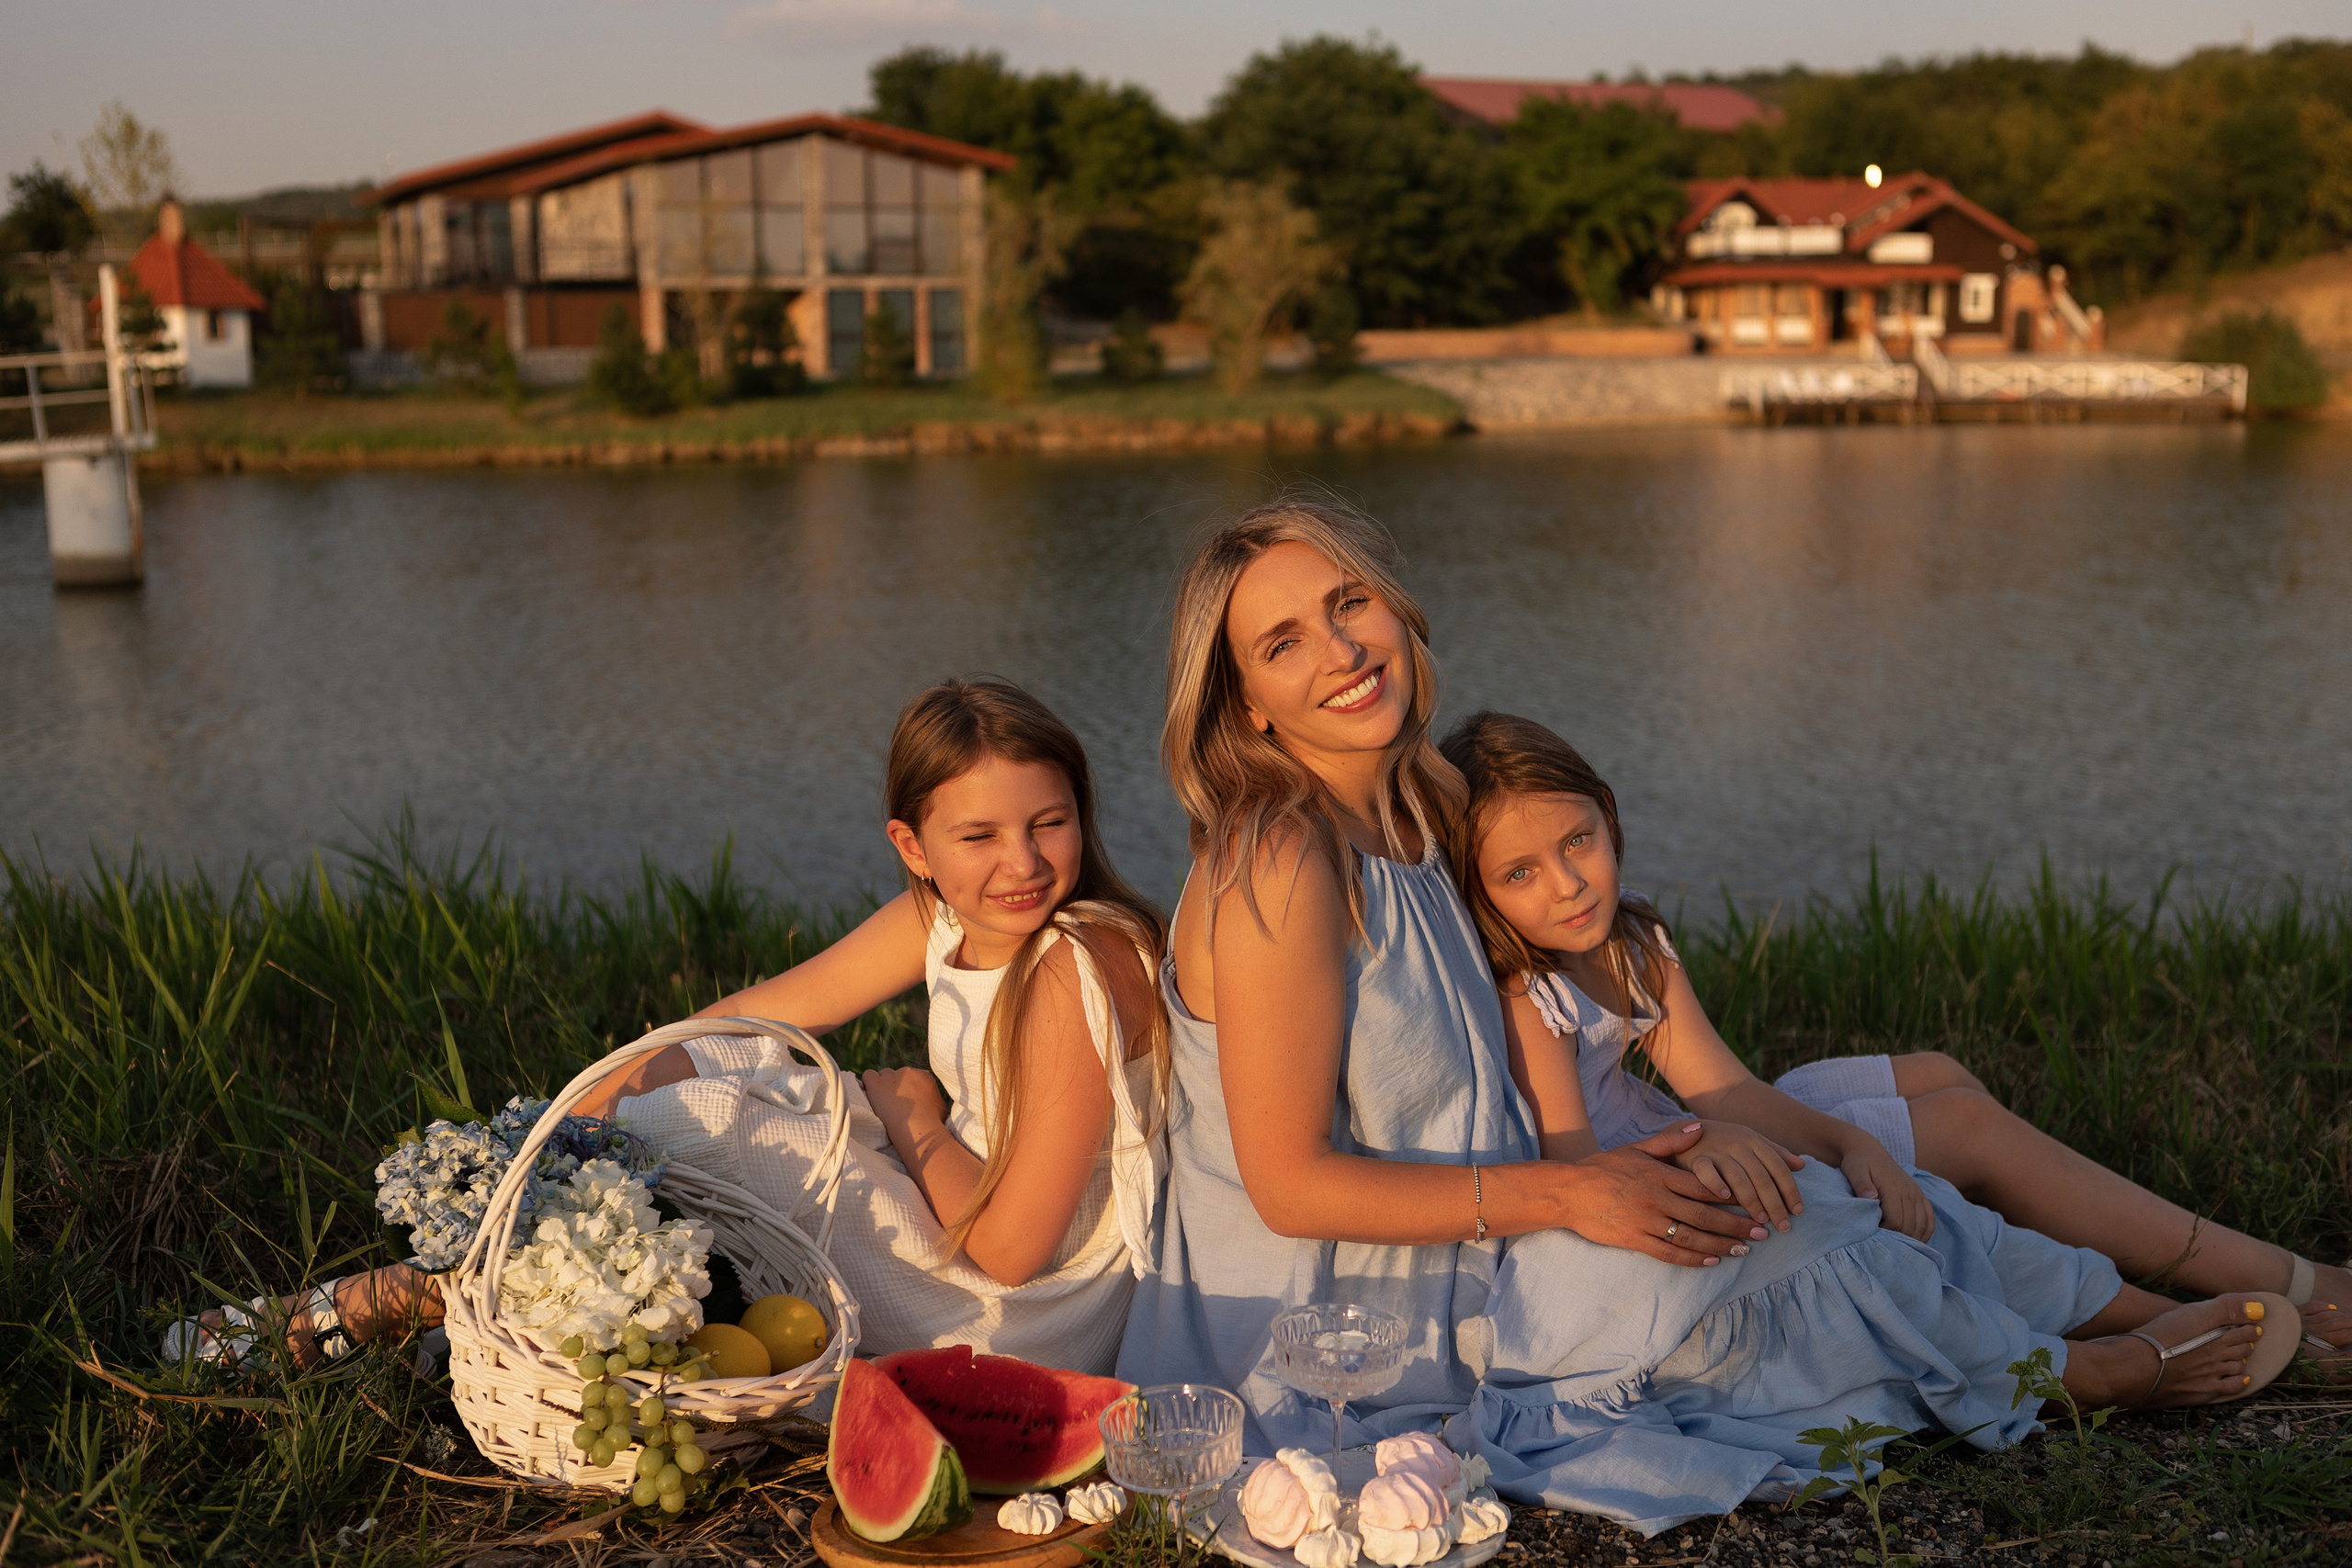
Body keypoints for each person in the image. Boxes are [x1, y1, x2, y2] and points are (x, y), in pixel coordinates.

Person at [1114, 497, 2295, 1535]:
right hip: (1332, 1326)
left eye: (1348, 603)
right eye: (1282, 643)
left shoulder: (1422, 812)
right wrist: (1578, 1193)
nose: (1339, 651)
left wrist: (1663, 1145)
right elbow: (1289, 1187)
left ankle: (2127, 1325)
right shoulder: (1280, 857)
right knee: (1778, 1238)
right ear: (1246, 705)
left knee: (1792, 1197)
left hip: (1471, 1239)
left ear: (1395, 605)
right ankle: (2089, 1375)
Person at [167, 678, 1168, 1377]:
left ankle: (416, 1296)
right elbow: (750, 1014)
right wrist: (602, 1100)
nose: (1022, 863)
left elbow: (1010, 1251)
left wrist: (915, 1118)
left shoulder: (1076, 960)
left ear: (1081, 810)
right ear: (913, 846)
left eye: (1048, 822)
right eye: (980, 835)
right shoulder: (946, 915)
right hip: (960, 1212)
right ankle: (497, 1261)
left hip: (1018, 1318)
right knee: (708, 1061)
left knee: (706, 1121)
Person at [1436, 707, 2347, 1372]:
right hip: (1646, 1174)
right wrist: (1720, 1142)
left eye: (1578, 840)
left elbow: (1726, 1088)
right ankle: (2231, 1301)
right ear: (1479, 892)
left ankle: (2200, 1272)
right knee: (1963, 1131)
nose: (1566, 884)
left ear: (1605, 809)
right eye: (1520, 873)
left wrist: (1852, 1143)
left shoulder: (1632, 936)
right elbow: (1582, 1170)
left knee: (1940, 1079)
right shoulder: (1529, 993)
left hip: (1688, 1126)